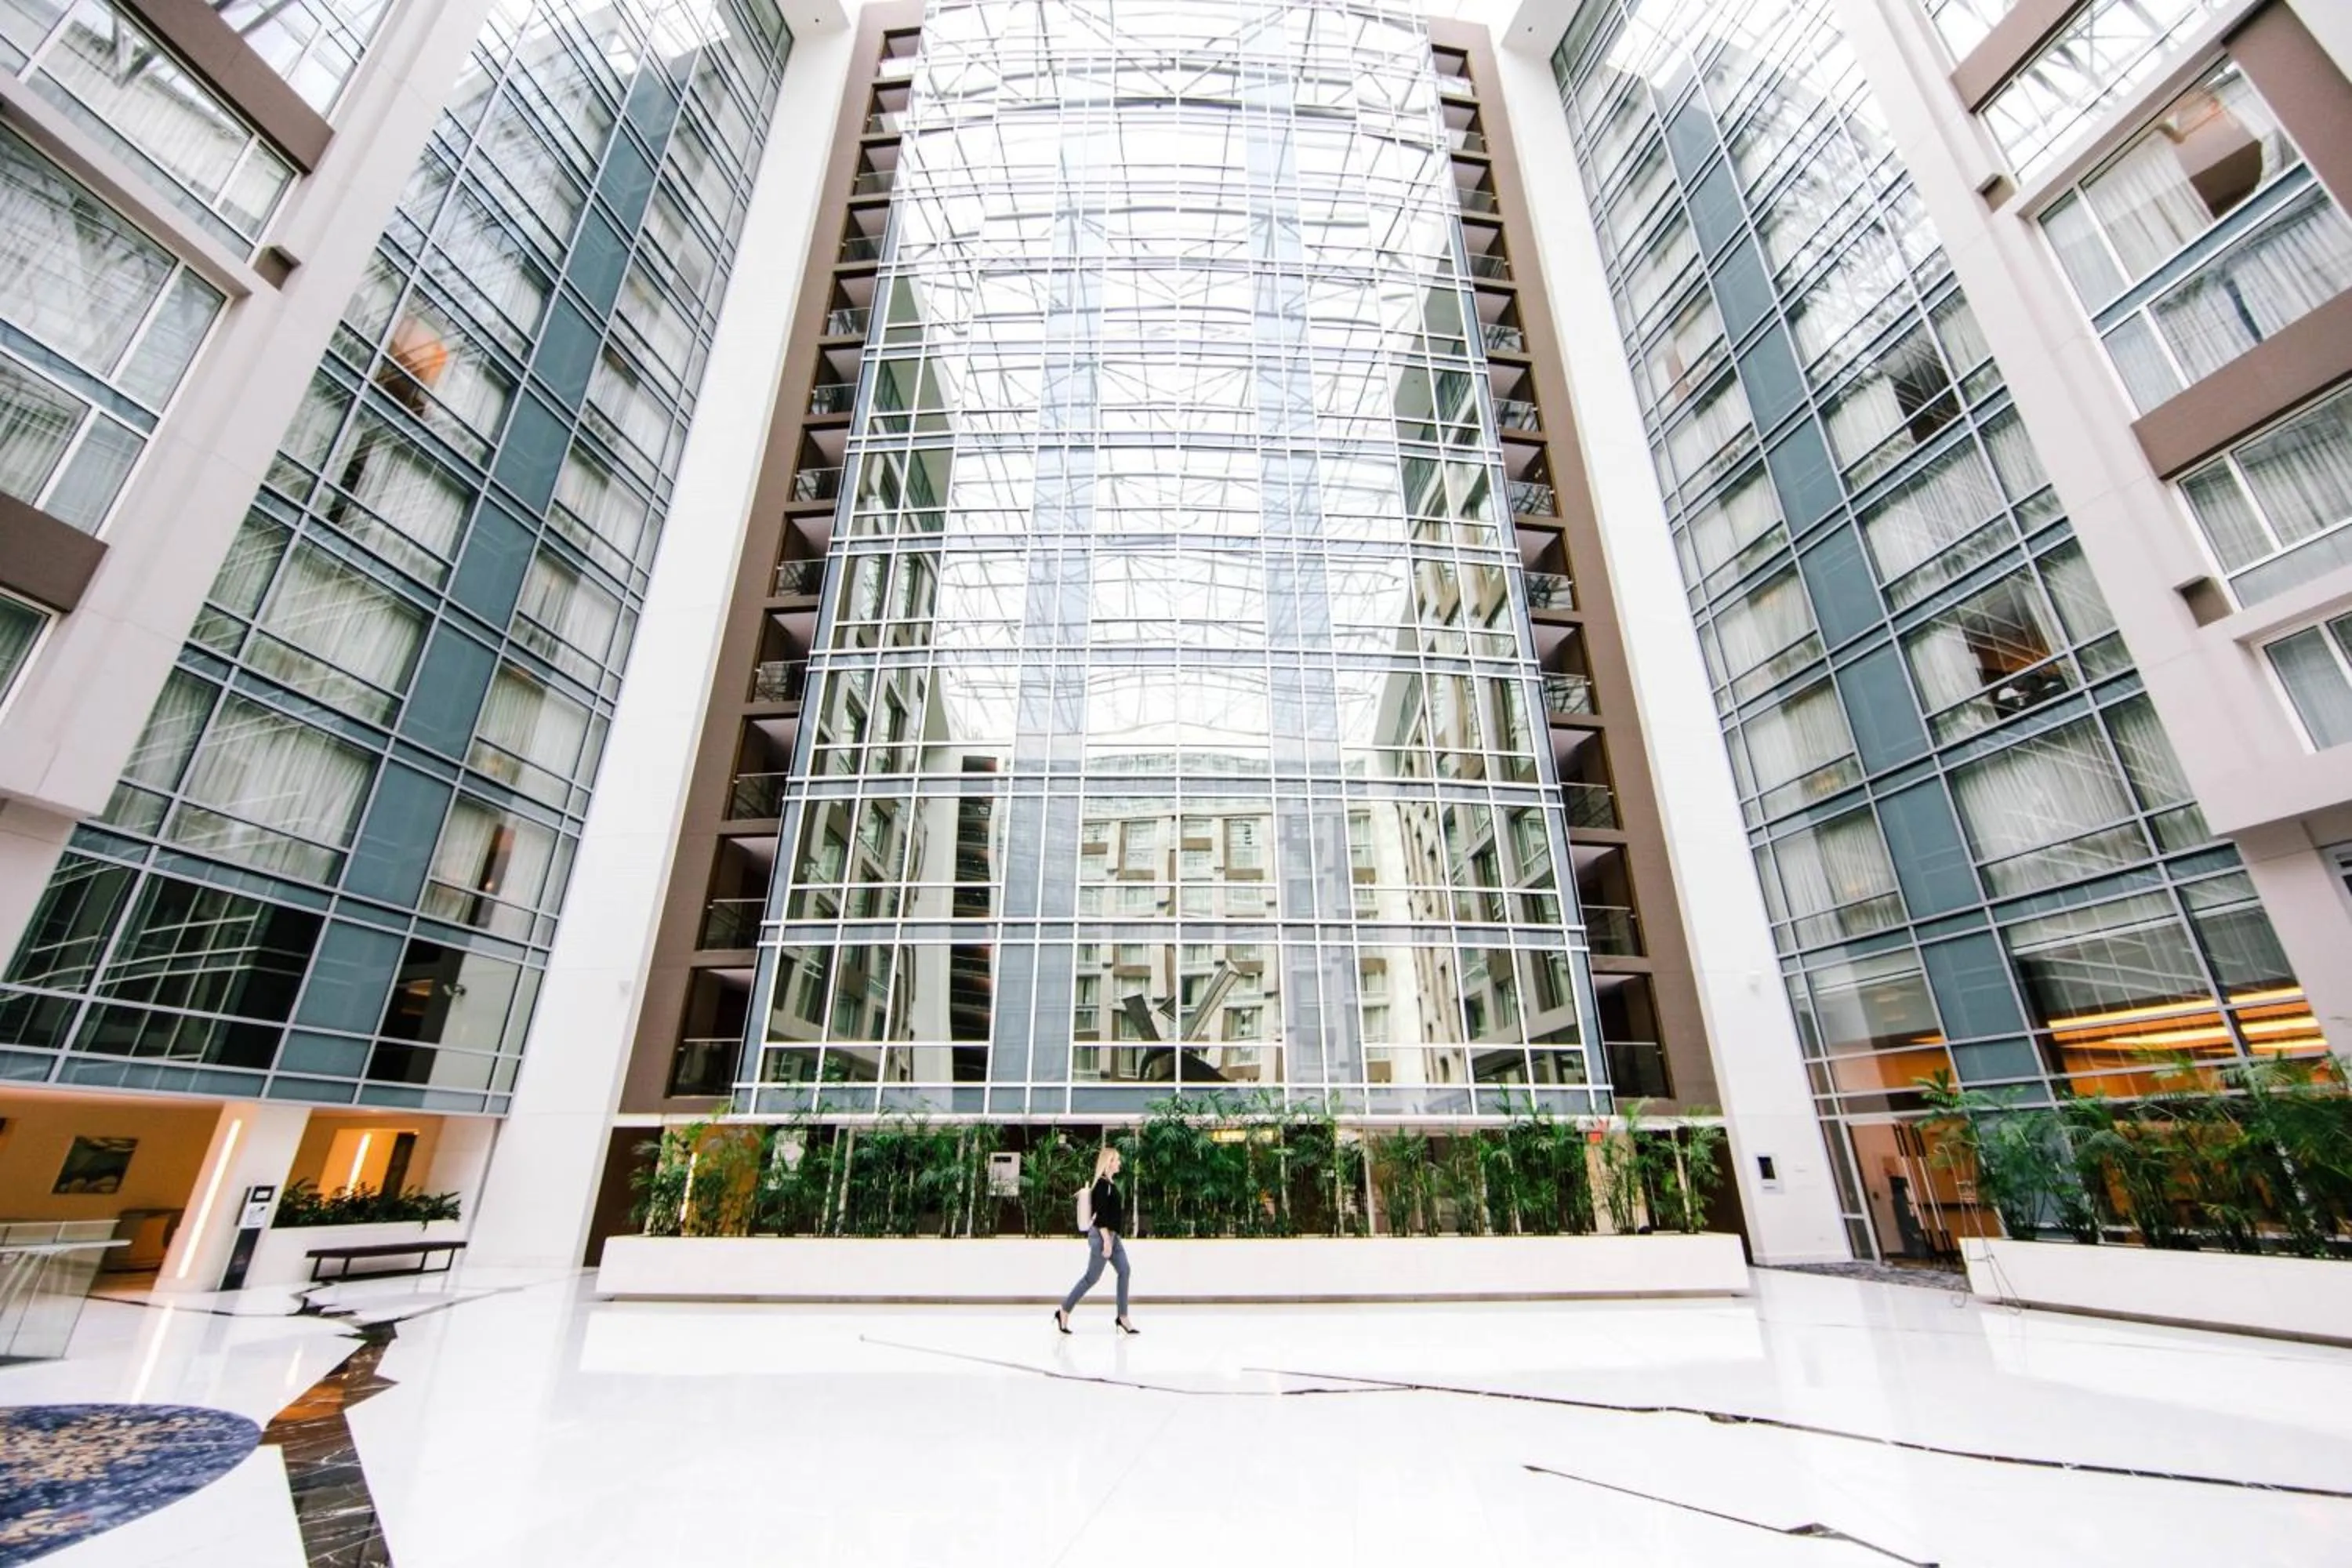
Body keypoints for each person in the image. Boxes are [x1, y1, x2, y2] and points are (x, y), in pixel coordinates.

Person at [1055, 1145, 1137, 1334]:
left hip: (1113, 1237)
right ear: (1108, 1163)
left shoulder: (1110, 1184)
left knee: (1125, 1270)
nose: (1119, 1163)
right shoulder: (1101, 1185)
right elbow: (1100, 1217)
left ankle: (1122, 1317)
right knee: (1091, 1278)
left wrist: (1112, 1239)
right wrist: (1107, 1241)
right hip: (1102, 1237)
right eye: (1116, 1160)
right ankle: (1064, 1310)